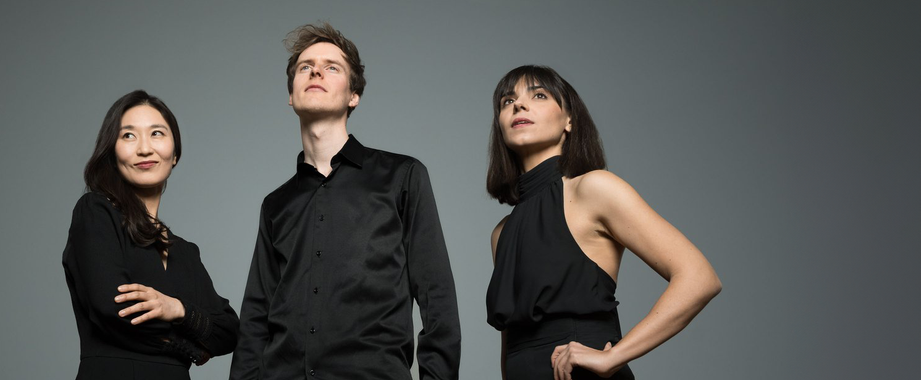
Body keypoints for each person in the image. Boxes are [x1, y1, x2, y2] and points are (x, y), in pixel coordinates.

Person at [229, 23, 461, 380]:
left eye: (331, 67)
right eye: (305, 67)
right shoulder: (276, 204)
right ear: (291, 95)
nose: (316, 71)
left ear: (354, 95)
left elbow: (437, 296)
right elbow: (256, 318)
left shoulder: (402, 176)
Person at [484, 65, 722, 380]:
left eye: (538, 95)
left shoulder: (594, 189)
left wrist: (613, 357)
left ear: (569, 120)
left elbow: (700, 279)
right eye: (507, 101)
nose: (519, 105)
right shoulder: (501, 233)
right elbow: (511, 342)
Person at [62, 90, 239, 380]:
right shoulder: (96, 212)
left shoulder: (184, 251)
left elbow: (229, 331)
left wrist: (177, 308)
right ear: (112, 152)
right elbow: (113, 309)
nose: (144, 149)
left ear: (176, 154)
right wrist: (190, 347)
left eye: (157, 133)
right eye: (128, 136)